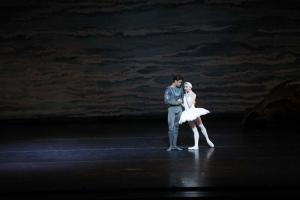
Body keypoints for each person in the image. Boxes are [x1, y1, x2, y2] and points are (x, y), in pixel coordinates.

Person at [179, 82, 214, 149]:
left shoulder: (193, 94)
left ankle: (208, 139)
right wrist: (181, 103)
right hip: (188, 113)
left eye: (186, 86)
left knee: (201, 126)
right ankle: (196, 145)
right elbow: (185, 106)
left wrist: (187, 97)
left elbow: (190, 104)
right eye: (184, 86)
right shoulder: (184, 95)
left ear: (190, 87)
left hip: (193, 112)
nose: (185, 88)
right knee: (194, 130)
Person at [164, 75, 184, 151]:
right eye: (179, 82)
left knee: (176, 127)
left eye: (181, 82)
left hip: (179, 109)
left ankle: (175, 145)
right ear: (175, 81)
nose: (180, 83)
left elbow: (182, 98)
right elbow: (166, 101)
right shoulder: (168, 89)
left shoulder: (181, 89)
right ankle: (171, 145)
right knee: (171, 127)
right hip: (172, 109)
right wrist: (176, 102)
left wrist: (181, 101)